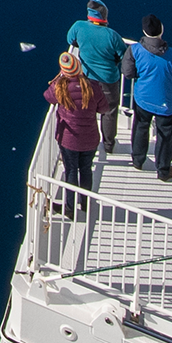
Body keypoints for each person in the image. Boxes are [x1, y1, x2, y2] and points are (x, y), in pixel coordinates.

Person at [122, 14, 172, 180]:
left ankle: (138, 161)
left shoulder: (134, 50)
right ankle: (163, 170)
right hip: (166, 103)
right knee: (165, 135)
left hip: (143, 99)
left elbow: (128, 73)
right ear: (161, 31)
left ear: (144, 32)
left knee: (140, 127)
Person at [43, 52, 112, 218]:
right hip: (90, 138)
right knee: (86, 169)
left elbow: (48, 97)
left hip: (69, 139)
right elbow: (104, 108)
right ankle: (86, 203)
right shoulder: (93, 86)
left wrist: (57, 79)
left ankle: (69, 208)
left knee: (71, 171)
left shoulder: (60, 87)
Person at [66, 0, 127, 153]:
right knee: (109, 111)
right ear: (104, 16)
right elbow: (123, 55)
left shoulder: (78, 26)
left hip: (87, 78)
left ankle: (89, 141)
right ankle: (108, 145)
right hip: (108, 80)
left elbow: (70, 40)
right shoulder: (112, 35)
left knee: (88, 109)